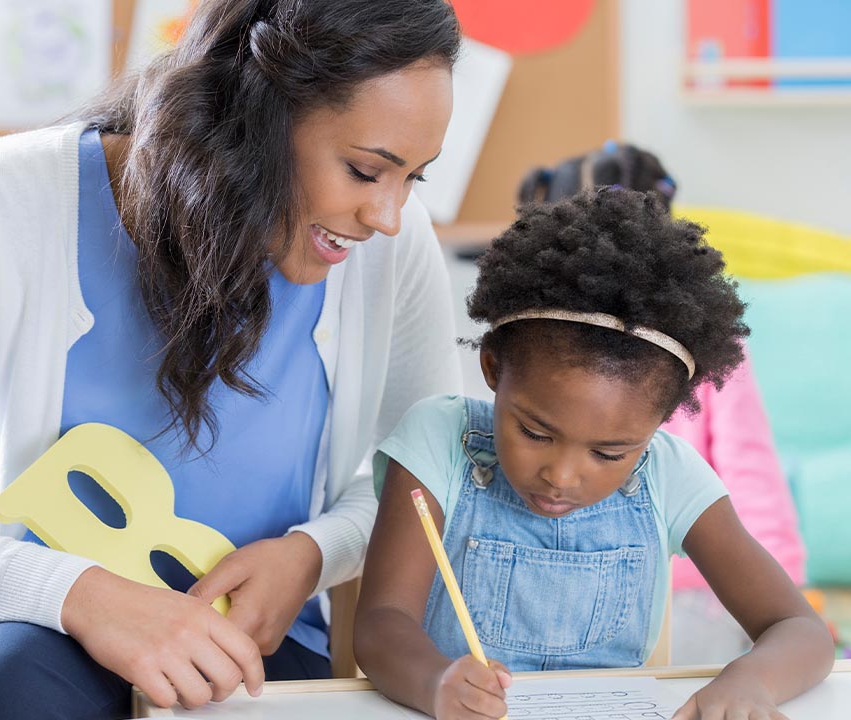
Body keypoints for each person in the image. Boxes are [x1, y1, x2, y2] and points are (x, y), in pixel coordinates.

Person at [0, 1, 463, 718]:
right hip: (0, 594)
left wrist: (312, 554)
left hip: (239, 643)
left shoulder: (391, 247)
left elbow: (419, 484)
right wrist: (80, 594)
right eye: (364, 171)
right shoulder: (5, 197)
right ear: (257, 122)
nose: (388, 215)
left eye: (413, 177)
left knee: (15, 672)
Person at [353, 189, 833, 720]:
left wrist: (751, 681)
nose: (560, 476)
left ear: (661, 422)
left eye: (609, 453)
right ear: (492, 369)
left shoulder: (670, 476)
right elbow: (380, 623)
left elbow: (800, 629)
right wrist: (435, 680)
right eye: (535, 432)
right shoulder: (439, 439)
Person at [520, 142, 807, 664]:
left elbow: (751, 472)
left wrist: (781, 596)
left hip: (692, 591)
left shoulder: (702, 346)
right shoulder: (530, 348)